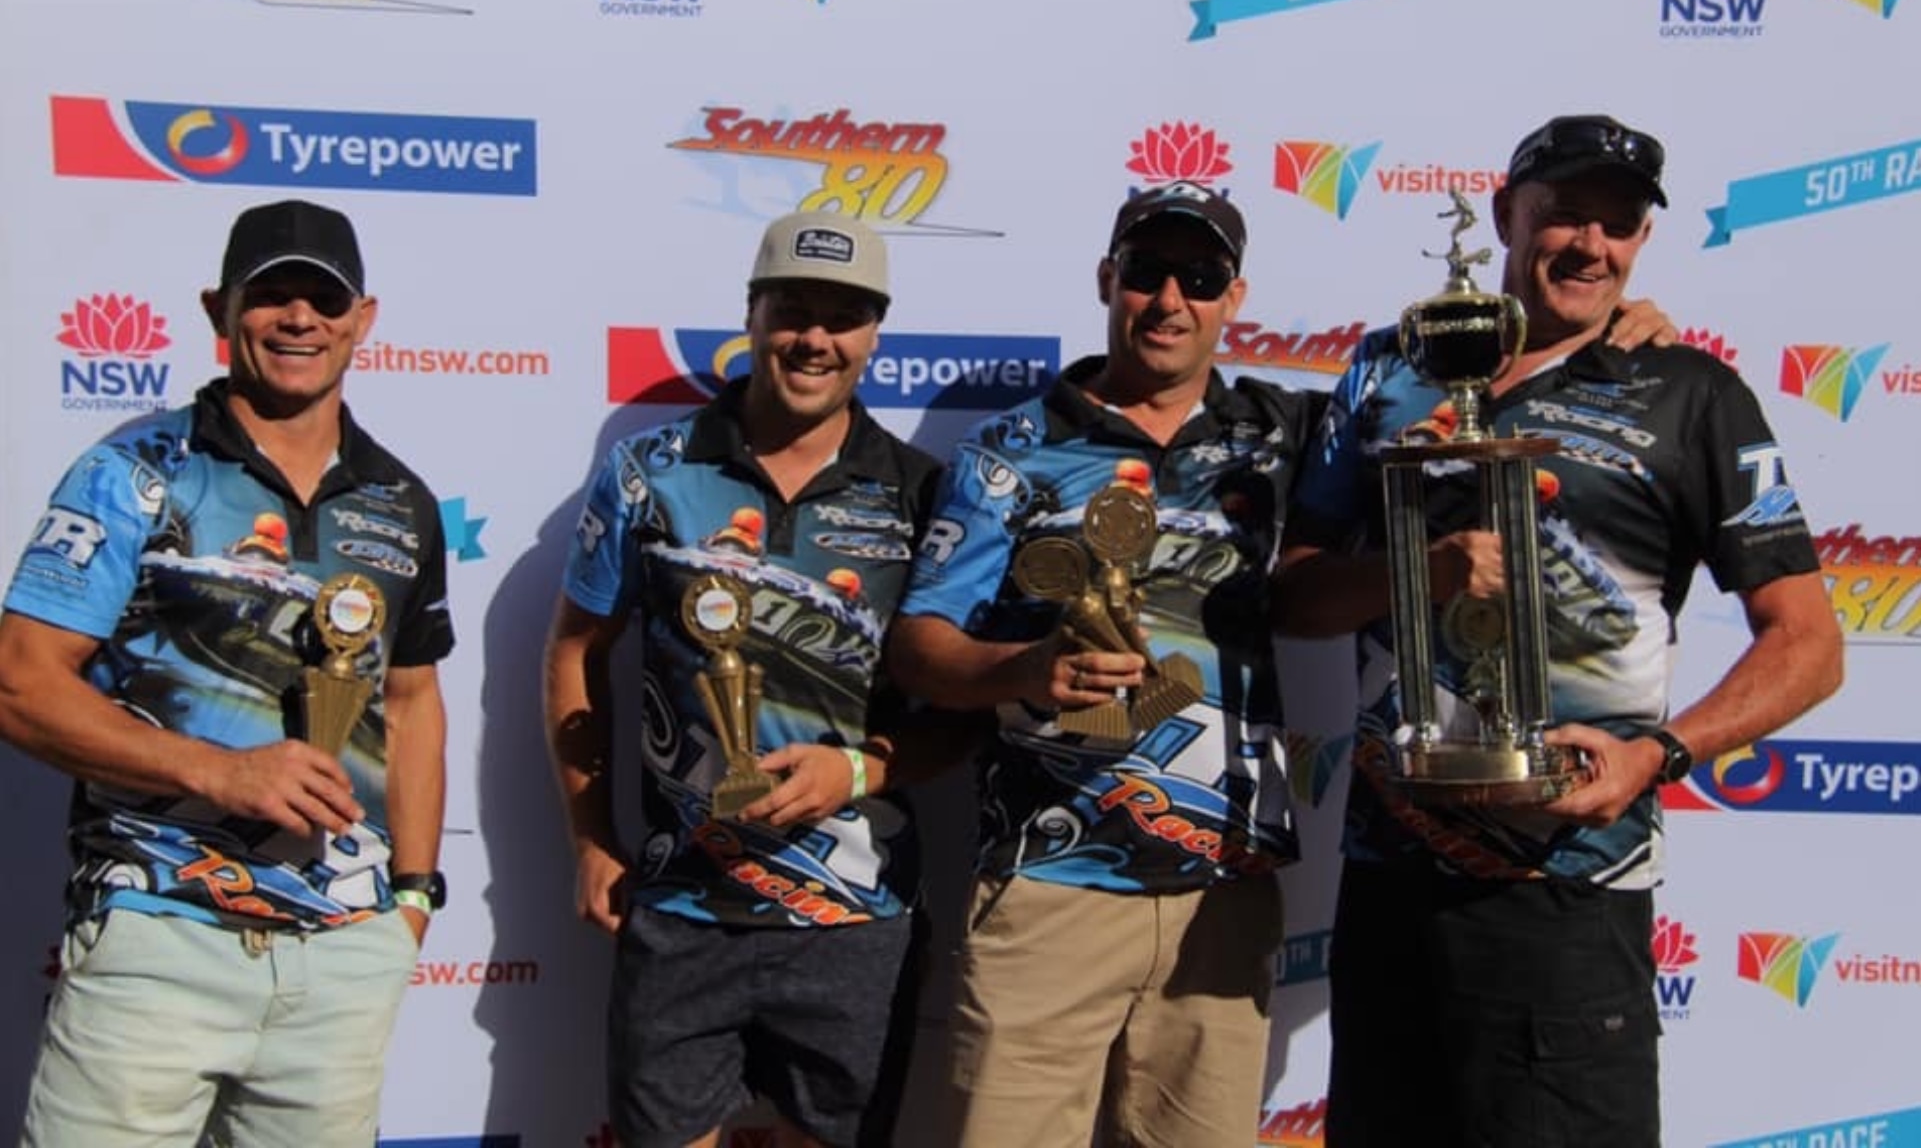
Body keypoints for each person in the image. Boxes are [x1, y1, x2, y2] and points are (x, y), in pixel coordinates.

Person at [1272, 114, 1845, 1148]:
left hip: (1570, 886)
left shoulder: (1690, 393)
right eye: (1563, 216)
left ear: (1640, 244)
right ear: (1504, 216)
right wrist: (1420, 573)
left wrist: (1656, 756)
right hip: (1393, 876)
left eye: (1616, 227)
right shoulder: (1388, 368)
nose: (1590, 246)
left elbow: (1807, 643)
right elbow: (1298, 600)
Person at [0, 199, 453, 1145]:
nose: (299, 319)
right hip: (160, 934)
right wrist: (220, 771)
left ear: (363, 318)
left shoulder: (401, 500)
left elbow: (409, 705)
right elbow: (22, 682)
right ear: (219, 310)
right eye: (271, 295)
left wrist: (408, 897)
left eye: (322, 299)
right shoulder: (133, 470)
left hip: (340, 956)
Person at [884, 181, 1318, 1147]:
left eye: (1199, 277)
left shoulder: (1282, 434)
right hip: (1052, 883)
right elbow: (920, 643)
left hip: (1221, 893)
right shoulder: (1013, 449)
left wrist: (1600, 332)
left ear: (1233, 300)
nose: (1169, 299)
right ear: (1106, 280)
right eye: (1146, 272)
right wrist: (1019, 672)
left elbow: (1437, 399)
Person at [543, 209, 949, 1148]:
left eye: (842, 316)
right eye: (792, 309)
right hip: (685, 910)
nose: (815, 338)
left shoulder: (924, 494)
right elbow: (574, 652)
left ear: (875, 333)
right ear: (753, 314)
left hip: (857, 918)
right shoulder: (651, 471)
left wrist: (861, 773)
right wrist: (592, 837)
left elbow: (969, 710)